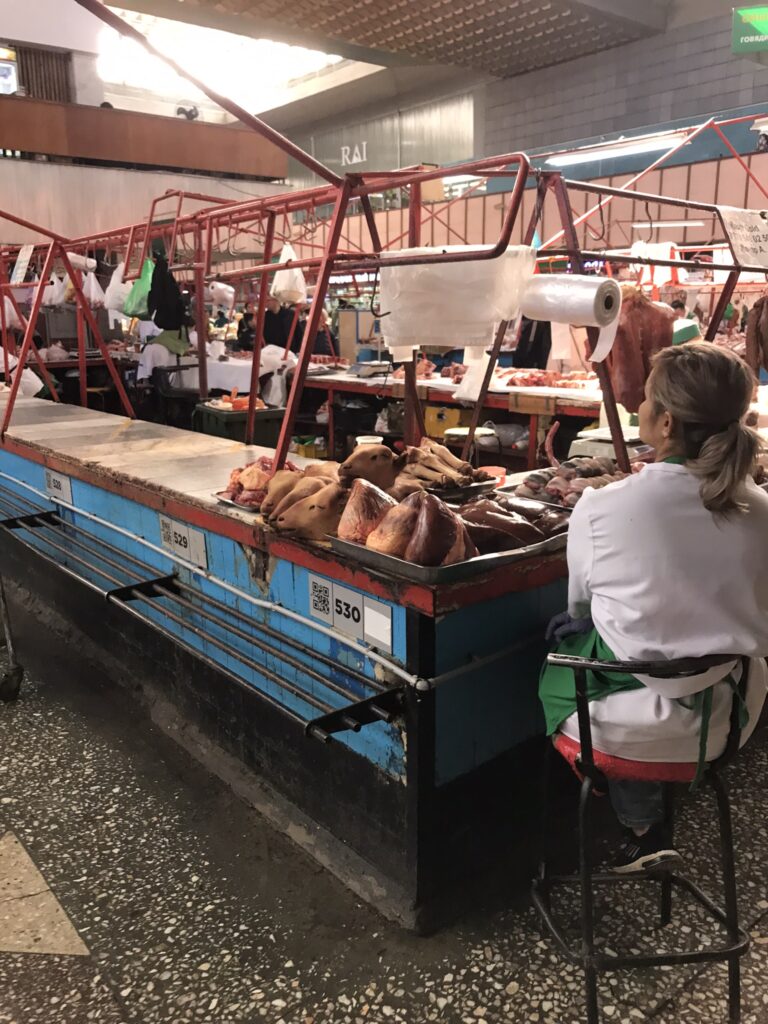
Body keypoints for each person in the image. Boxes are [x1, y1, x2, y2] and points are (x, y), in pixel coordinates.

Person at [540, 342, 768, 874]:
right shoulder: (763, 509)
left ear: (664, 423)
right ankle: (645, 817)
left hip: (625, 730)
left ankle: (637, 818)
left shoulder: (601, 509)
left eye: (645, 398)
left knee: (562, 657)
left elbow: (581, 608)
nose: (638, 406)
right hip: (732, 714)